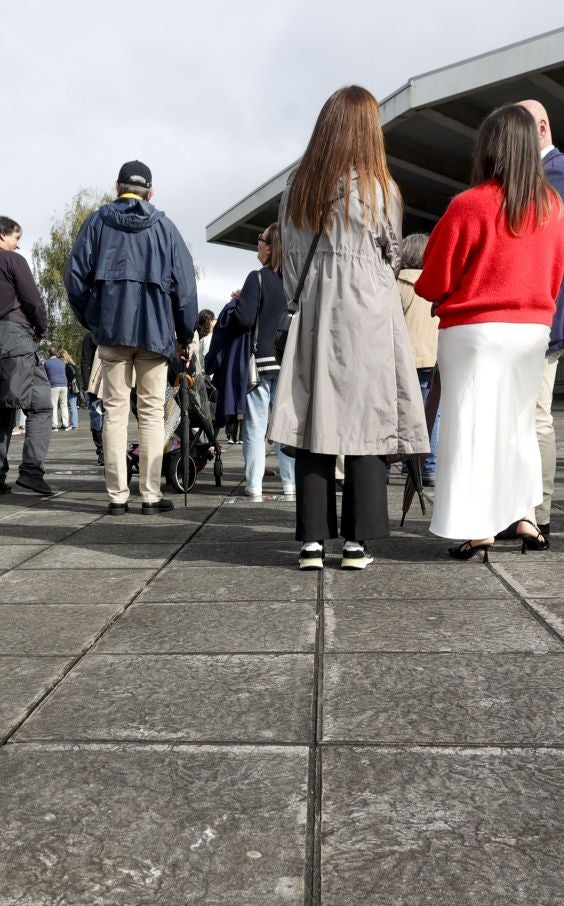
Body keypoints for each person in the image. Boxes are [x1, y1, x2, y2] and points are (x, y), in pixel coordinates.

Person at [272, 86, 428, 570]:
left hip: (317, 310)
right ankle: (359, 541)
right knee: (370, 420)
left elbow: (290, 259)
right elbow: (393, 252)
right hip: (368, 313)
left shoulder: (299, 186)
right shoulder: (382, 189)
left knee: (315, 420)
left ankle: (313, 542)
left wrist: (310, 288)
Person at [414, 102, 564, 561]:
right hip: (531, 329)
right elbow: (554, 274)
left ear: (490, 148)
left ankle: (477, 527)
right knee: (518, 427)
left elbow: (434, 279)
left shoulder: (469, 204)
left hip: (475, 331)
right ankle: (523, 516)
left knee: (469, 427)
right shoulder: (552, 207)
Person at [65, 159, 199, 515]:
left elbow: (74, 279)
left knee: (114, 411)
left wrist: (94, 321)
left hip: (112, 331)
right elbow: (185, 289)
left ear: (117, 187)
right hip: (155, 334)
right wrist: (184, 336)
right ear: (150, 192)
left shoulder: (97, 223)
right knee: (153, 413)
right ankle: (151, 495)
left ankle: (117, 496)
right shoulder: (165, 228)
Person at [510, 99, 564, 549]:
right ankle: (527, 510)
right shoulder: (558, 172)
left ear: (540, 128)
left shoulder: (558, 174)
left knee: (536, 415)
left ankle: (539, 514)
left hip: (549, 311)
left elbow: (538, 240)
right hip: (547, 309)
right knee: (529, 413)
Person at [0, 216, 55, 497]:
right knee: (40, 405)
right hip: (15, 336)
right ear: (3, 235)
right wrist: (41, 327)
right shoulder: (12, 261)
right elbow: (32, 299)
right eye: (17, 238)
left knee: (0, 410)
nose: (18, 245)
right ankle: (31, 471)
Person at [232, 222, 295, 501]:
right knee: (285, 425)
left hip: (261, 362)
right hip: (289, 361)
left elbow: (244, 319)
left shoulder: (256, 278)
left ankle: (254, 485)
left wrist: (239, 302)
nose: (257, 244)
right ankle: (290, 484)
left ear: (270, 248)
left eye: (260, 239)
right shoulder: (295, 282)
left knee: (256, 425)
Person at [397, 232, 441, 487]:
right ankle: (428, 466)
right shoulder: (434, 283)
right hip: (431, 357)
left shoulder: (397, 284)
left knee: (401, 413)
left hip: (404, 359)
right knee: (431, 415)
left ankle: (405, 460)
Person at [44, 349, 71, 429]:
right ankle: (66, 424)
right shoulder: (62, 362)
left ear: (49, 354)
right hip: (64, 385)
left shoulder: (46, 363)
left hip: (53, 385)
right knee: (64, 405)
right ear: (56, 354)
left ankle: (54, 425)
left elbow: (44, 374)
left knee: (54, 405)